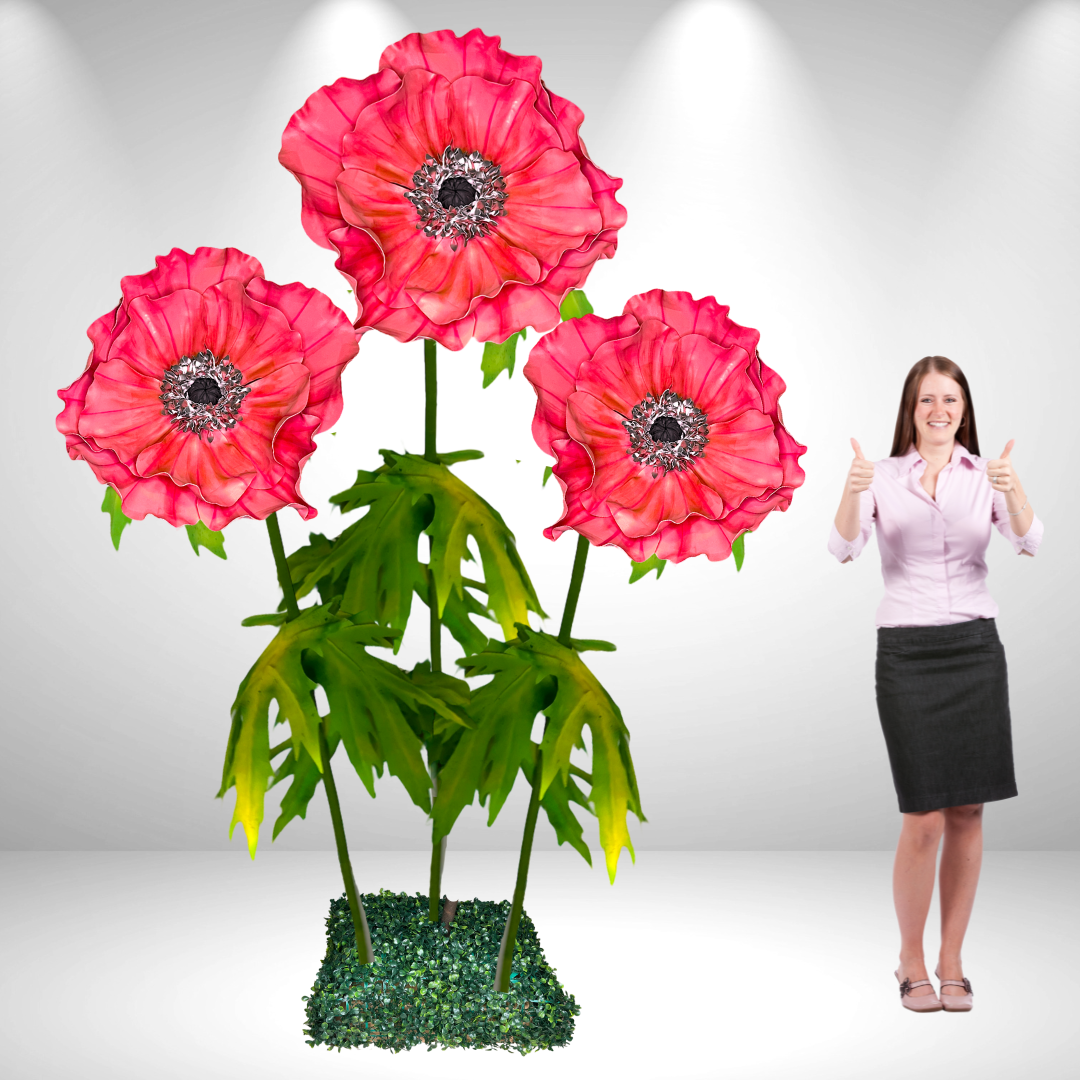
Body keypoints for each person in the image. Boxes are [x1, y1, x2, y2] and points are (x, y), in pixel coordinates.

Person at [829, 355, 1042, 1013]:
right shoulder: (883, 476)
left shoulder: (986, 475)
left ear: (964, 410)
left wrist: (1012, 486)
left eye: (950, 400)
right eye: (927, 400)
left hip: (976, 648)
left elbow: (1032, 540)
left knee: (969, 811)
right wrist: (851, 486)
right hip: (908, 654)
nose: (939, 411)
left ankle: (952, 959)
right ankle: (910, 959)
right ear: (911, 410)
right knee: (923, 816)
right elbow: (841, 550)